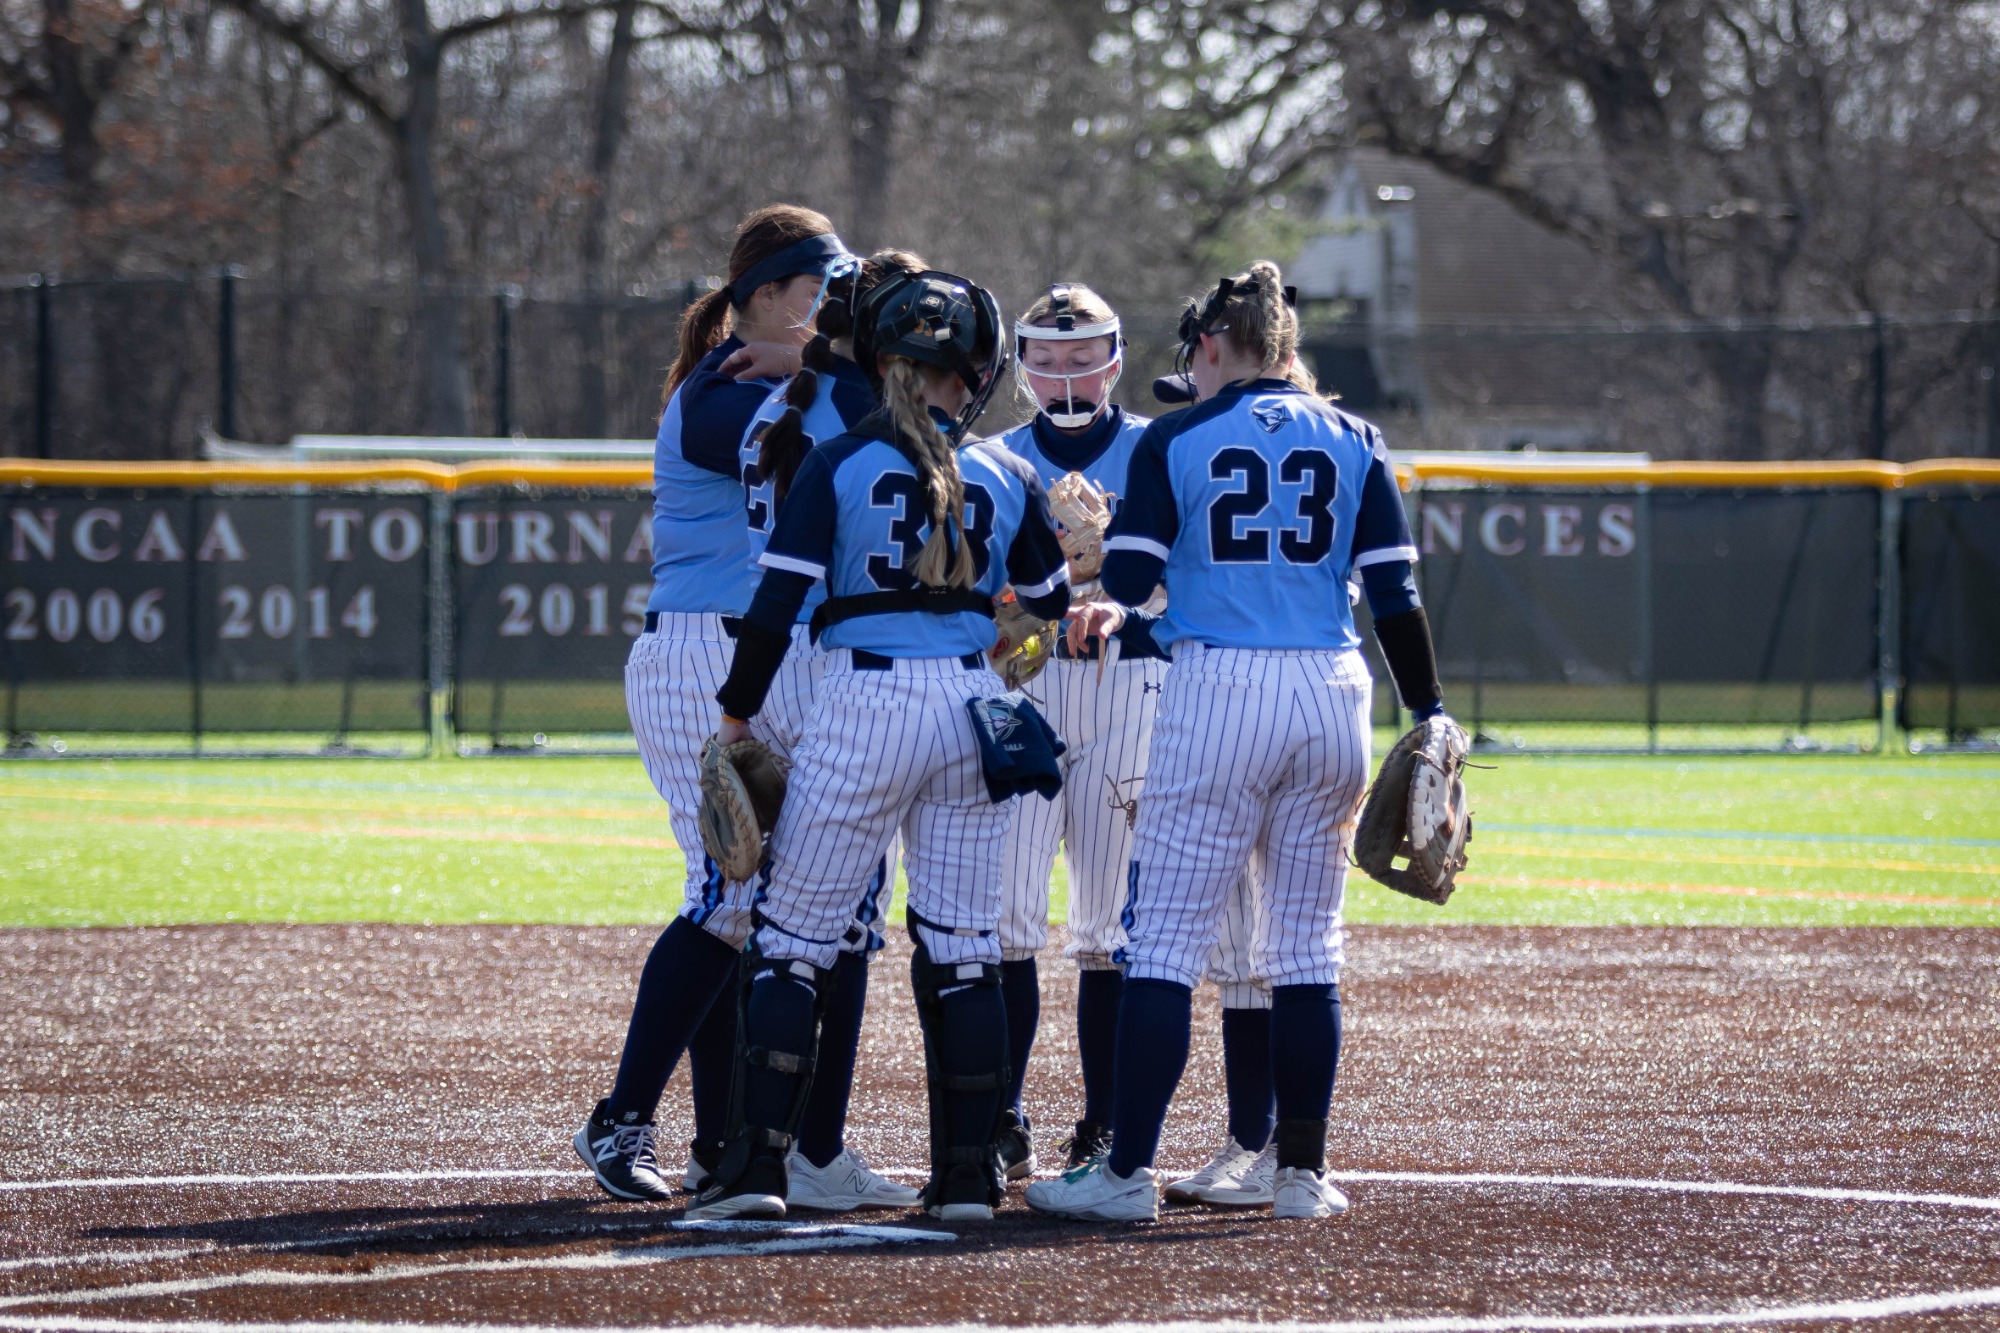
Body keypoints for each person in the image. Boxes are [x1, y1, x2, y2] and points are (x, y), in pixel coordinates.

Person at [1025, 260, 1453, 1222]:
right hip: (1333, 692)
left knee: (1165, 944)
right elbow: (1395, 594)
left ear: (1212, 347)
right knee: (1305, 950)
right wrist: (1430, 710)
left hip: (1219, 690)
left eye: (1194, 354)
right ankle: (1299, 1172)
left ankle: (1125, 1173)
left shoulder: (1176, 435)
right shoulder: (1357, 436)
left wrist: (1095, 568)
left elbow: (1131, 580)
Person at [688, 268, 1071, 1222]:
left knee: (791, 944)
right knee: (965, 947)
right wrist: (1049, 575)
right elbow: (1052, 600)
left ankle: (753, 1174)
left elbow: (776, 607)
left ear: (879, 358)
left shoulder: (841, 462)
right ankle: (969, 1178)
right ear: (972, 373)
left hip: (865, 704)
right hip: (970, 711)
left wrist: (735, 718)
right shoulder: (1006, 471)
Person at [574, 204, 896, 1207]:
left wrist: (829, 370)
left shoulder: (811, 381)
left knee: (826, 901)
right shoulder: (721, 385)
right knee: (732, 895)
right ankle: (621, 1116)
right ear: (761, 295)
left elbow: (893, 434)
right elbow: (817, 452)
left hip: (787, 652)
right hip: (703, 654)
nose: (832, 311)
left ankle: (757, 1145)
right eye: (817, 293)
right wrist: (831, 377)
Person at [994, 285, 1281, 1201]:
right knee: (1001, 919)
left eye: (1084, 357)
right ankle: (1000, 1116)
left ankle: (1107, 1120)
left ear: (1117, 359)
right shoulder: (992, 460)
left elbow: (1185, 575)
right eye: (1048, 356)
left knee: (1111, 930)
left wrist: (1109, 565)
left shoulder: (1161, 446)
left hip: (1133, 686)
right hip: (1028, 688)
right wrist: (1043, 583)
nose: (1066, 373)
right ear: (1021, 365)